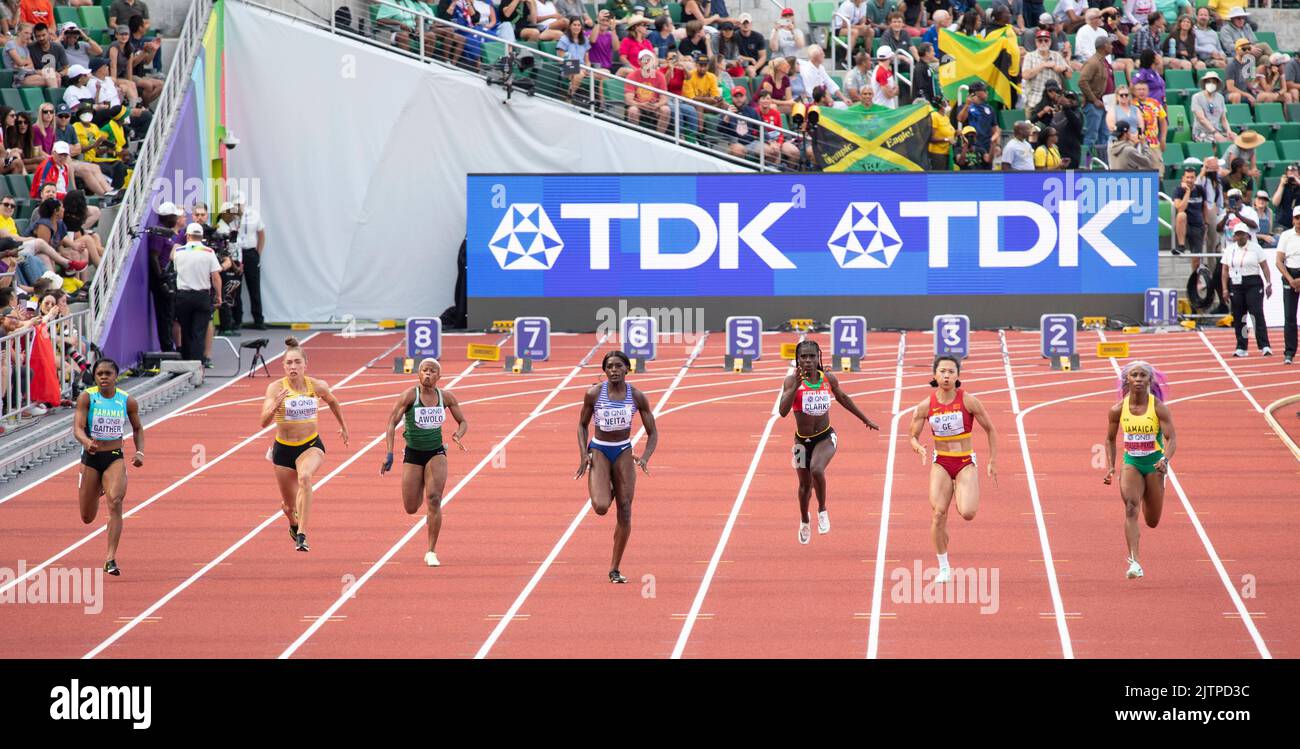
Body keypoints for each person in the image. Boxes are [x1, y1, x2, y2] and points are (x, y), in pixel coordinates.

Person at [777, 339, 879, 544]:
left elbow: (842, 397)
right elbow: (782, 412)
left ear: (818, 358)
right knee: (804, 487)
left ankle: (822, 509)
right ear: (797, 359)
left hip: (825, 437)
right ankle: (805, 520)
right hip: (800, 443)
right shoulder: (791, 381)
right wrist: (795, 387)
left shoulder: (828, 378)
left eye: (812, 356)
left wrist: (864, 418)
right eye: (803, 357)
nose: (807, 360)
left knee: (816, 469)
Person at [908, 355, 998, 584]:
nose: (946, 375)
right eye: (942, 371)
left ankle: (960, 487)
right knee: (938, 515)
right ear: (934, 375)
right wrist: (917, 446)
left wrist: (992, 460)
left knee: (967, 513)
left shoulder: (969, 401)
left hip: (965, 461)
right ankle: (944, 567)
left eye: (951, 372)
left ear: (958, 376)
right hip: (942, 462)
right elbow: (912, 435)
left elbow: (991, 429)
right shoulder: (925, 406)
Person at [259, 336, 350, 552]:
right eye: (289, 363)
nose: (293, 367)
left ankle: (302, 533)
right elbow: (263, 422)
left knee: (305, 477)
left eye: (297, 362)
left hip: (310, 446)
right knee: (289, 506)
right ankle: (292, 521)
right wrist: (276, 406)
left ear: (305, 365)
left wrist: (343, 426)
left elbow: (333, 401)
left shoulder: (316, 386)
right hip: (283, 450)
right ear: (283, 366)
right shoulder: (275, 389)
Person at [574, 350, 657, 584]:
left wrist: (645, 457)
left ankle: (614, 568)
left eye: (618, 366)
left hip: (623, 451)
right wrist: (583, 454)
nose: (613, 370)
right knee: (600, 507)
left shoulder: (637, 396)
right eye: (609, 366)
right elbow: (581, 426)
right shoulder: (593, 394)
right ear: (604, 370)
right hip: (600, 450)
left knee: (625, 509)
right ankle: (607, 484)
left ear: (627, 369)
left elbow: (653, 432)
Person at [381, 358, 468, 567]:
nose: (428, 374)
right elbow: (391, 422)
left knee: (435, 498)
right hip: (413, 454)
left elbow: (463, 421)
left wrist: (458, 435)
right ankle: (422, 491)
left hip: (436, 452)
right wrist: (389, 453)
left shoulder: (446, 397)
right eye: (424, 371)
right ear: (418, 374)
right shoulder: (410, 395)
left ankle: (431, 551)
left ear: (439, 376)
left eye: (432, 371)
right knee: (411, 507)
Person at [1103, 360, 1175, 580]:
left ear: (1150, 380)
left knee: (1152, 521)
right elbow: (1109, 439)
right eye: (1134, 375)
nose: (1138, 379)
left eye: (1143, 375)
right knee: (1131, 508)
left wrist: (1165, 459)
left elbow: (1171, 438)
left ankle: (1150, 490)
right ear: (1127, 379)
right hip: (1131, 463)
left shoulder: (1158, 408)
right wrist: (1110, 468)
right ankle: (1134, 562)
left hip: (1154, 465)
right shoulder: (1117, 410)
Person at [72, 358, 144, 577]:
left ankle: (110, 558)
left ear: (116, 376)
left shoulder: (126, 400)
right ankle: (97, 486)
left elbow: (138, 428)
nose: (103, 377)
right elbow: (77, 428)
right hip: (91, 458)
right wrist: (87, 442)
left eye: (107, 374)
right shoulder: (87, 397)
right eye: (99, 373)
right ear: (95, 377)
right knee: (87, 516)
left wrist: (139, 451)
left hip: (114, 456)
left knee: (116, 502)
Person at [1221, 223, 1273, 357]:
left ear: (1247, 235)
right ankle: (1242, 346)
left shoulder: (1255, 248)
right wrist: (1225, 288)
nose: (1239, 236)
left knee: (1256, 313)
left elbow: (1265, 267)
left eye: (1241, 234)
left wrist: (1269, 283)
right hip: (1236, 283)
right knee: (1239, 315)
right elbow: (1225, 270)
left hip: (1253, 282)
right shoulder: (1229, 249)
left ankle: (1264, 345)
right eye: (1237, 234)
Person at [171, 222, 220, 363]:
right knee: (199, 332)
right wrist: (219, 295)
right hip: (202, 296)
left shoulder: (179, 252)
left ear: (187, 235)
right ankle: (198, 364)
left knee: (186, 331)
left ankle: (186, 362)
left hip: (183, 296)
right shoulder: (209, 252)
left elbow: (176, 270)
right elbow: (215, 276)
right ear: (202, 237)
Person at [1277, 206, 1300, 365]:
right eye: (1297, 218)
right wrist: (1291, 279)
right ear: (1293, 219)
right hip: (1289, 275)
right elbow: (1279, 261)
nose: (1299, 221)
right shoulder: (1286, 235)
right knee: (1289, 316)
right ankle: (1289, 352)